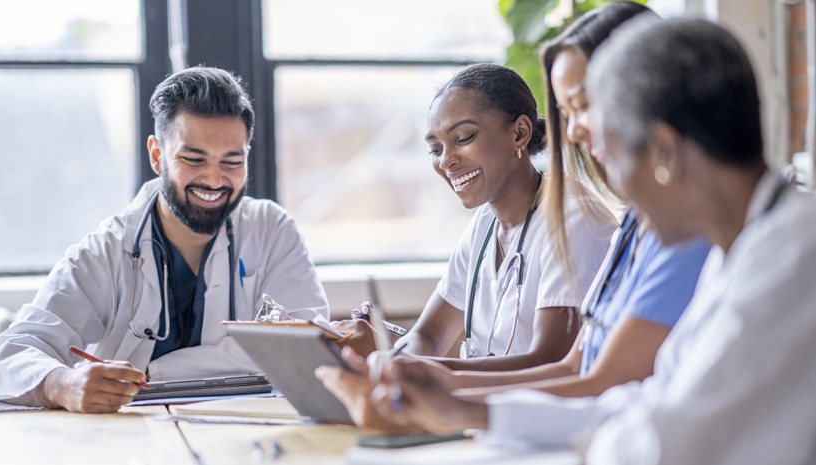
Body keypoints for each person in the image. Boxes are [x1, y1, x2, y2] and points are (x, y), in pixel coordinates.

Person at [364, 18, 816, 464]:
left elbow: (666, 439)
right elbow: (642, 402)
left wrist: (466, 402)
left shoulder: (787, 261)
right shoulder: (738, 249)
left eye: (614, 159)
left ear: (664, 153)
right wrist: (464, 408)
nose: (619, 201)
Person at [318, 0, 709, 425]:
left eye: (584, 107)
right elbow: (573, 368)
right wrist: (407, 373)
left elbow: (576, 369)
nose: (575, 131)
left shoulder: (623, 225)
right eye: (435, 148)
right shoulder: (638, 227)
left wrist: (446, 396)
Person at [0, 67, 328, 413]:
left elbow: (309, 355)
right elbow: (9, 354)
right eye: (193, 159)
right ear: (157, 155)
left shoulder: (272, 231)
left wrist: (154, 372)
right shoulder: (105, 252)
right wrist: (62, 384)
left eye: (232, 160)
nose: (214, 179)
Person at [337, 63, 614, 372]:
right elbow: (428, 337)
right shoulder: (485, 224)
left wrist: (423, 373)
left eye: (464, 137)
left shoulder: (574, 220)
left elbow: (551, 363)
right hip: (484, 410)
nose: (446, 161)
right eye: (435, 148)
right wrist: (388, 356)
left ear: (519, 133)